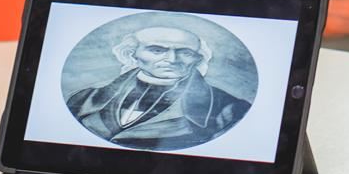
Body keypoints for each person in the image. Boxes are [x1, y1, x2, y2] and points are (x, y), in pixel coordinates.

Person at [65, 25, 250, 150]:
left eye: (185, 53)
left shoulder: (228, 110)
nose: (172, 60)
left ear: (197, 59)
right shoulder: (84, 99)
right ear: (132, 54)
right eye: (157, 50)